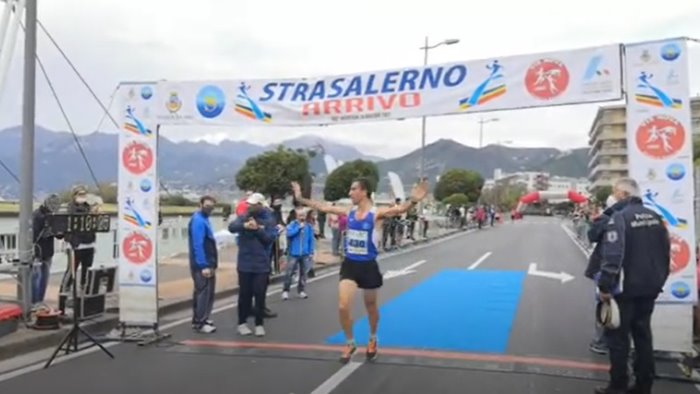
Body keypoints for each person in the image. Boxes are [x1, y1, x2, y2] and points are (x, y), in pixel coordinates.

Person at [291, 177, 429, 363]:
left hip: (368, 266)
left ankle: (372, 338)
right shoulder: (349, 212)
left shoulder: (376, 213)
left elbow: (401, 209)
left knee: (370, 307)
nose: (349, 193)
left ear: (364, 192)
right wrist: (301, 199)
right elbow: (323, 207)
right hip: (350, 265)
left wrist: (413, 200)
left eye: (353, 189)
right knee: (342, 305)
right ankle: (350, 343)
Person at [595, 178, 670, 394]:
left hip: (626, 288)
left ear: (621, 194)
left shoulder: (620, 217)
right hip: (651, 286)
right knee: (643, 335)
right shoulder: (656, 217)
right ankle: (644, 385)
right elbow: (666, 252)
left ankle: (617, 385)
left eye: (614, 192)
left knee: (618, 339)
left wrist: (605, 286)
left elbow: (613, 255)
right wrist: (660, 280)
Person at [228, 192, 278, 337]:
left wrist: (257, 230)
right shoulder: (245, 216)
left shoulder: (269, 219)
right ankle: (242, 323)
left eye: (253, 204)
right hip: (244, 262)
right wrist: (244, 225)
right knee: (244, 294)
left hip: (261, 263)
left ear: (260, 205)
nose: (250, 206)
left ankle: (259, 323)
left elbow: (269, 239)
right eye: (249, 204)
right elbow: (232, 227)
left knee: (260, 294)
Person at [584, 194, 629, 355]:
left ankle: (602, 342)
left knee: (605, 305)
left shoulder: (612, 218)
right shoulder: (647, 215)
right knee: (628, 309)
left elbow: (594, 237)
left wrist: (604, 283)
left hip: (611, 271)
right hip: (637, 273)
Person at [188, 196, 218, 334]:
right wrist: (203, 265)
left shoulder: (204, 219)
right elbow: (198, 244)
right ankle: (201, 322)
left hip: (208, 261)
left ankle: (199, 319)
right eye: (207, 205)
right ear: (200, 204)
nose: (209, 208)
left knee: (203, 292)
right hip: (203, 263)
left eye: (211, 206)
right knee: (204, 292)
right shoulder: (198, 221)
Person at [31, 195, 62, 306]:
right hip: (37, 252)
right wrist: (47, 229)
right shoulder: (37, 216)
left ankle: (40, 300)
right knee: (36, 278)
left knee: (45, 278)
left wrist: (59, 230)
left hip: (48, 251)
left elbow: (59, 235)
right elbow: (34, 236)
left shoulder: (52, 216)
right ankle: (34, 302)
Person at [282, 207, 315, 300]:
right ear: (296, 216)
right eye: (300, 215)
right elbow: (289, 234)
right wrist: (298, 228)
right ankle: (285, 290)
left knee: (303, 273)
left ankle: (301, 290)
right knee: (289, 272)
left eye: (303, 215)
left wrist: (311, 251)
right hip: (293, 253)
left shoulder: (308, 226)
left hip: (304, 254)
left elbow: (311, 240)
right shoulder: (292, 225)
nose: (302, 217)